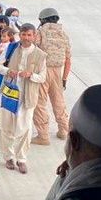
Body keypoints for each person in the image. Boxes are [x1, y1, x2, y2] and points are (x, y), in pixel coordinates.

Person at [0, 22, 50, 173]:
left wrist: (31, 75)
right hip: (10, 94)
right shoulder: (10, 48)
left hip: (27, 97)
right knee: (6, 126)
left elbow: (43, 77)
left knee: (25, 128)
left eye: (29, 35)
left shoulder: (41, 55)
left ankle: (21, 159)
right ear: (20, 35)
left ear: (34, 36)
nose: (26, 38)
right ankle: (8, 157)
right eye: (24, 35)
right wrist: (8, 71)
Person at [32, 8, 72, 146]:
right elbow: (68, 60)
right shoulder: (63, 35)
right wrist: (64, 79)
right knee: (59, 102)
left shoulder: (40, 32)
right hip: (58, 72)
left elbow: (32, 51)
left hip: (42, 71)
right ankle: (63, 130)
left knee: (40, 103)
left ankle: (43, 136)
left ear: (42, 20)